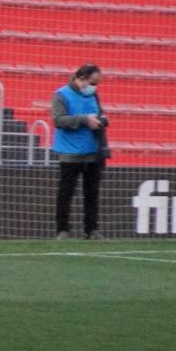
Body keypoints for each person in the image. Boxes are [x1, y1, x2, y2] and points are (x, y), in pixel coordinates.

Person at [51, 64, 108, 240]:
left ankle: (91, 229)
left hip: (92, 152)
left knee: (92, 193)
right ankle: (63, 230)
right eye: (92, 82)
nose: (94, 87)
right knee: (65, 193)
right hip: (70, 153)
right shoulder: (62, 94)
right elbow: (58, 120)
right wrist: (84, 120)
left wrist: (102, 120)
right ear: (82, 78)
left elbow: (100, 114)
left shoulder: (93, 95)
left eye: (96, 84)